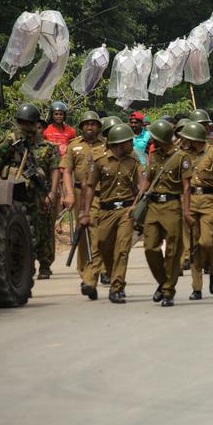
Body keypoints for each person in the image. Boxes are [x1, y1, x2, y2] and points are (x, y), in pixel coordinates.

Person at [0, 103, 60, 280]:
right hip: (16, 197)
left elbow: (55, 170)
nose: (26, 127)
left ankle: (44, 264)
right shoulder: (11, 142)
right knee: (18, 233)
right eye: (22, 123)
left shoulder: (48, 147)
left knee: (43, 230)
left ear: (37, 124)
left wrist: (52, 192)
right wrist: (2, 188)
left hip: (39, 195)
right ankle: (23, 266)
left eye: (30, 123)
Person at [79, 124, 142, 303]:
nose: (133, 143)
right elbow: (90, 187)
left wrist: (138, 208)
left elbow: (140, 186)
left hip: (126, 211)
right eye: (130, 140)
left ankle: (117, 287)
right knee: (102, 245)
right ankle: (102, 277)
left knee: (122, 249)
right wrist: (84, 213)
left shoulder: (134, 160)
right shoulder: (100, 160)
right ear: (121, 143)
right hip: (105, 210)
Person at [136, 119, 187, 307]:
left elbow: (187, 187)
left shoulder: (182, 157)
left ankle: (168, 291)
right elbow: (148, 179)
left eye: (155, 138)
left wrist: (187, 211)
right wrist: (137, 202)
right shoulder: (154, 155)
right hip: (154, 205)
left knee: (173, 250)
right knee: (150, 247)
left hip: (173, 205)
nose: (152, 141)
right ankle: (163, 281)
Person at [60, 111, 108, 293]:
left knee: (100, 232)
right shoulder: (74, 146)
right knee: (82, 233)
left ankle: (99, 270)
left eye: (93, 124)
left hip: (100, 193)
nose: (90, 127)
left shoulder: (105, 145)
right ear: (81, 127)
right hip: (80, 191)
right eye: (86, 124)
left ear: (98, 127)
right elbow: (66, 171)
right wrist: (69, 194)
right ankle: (84, 272)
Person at [179, 122, 213, 300]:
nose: (184, 141)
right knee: (193, 246)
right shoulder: (184, 155)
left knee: (207, 242)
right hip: (189, 201)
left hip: (208, 201)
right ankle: (196, 287)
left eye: (187, 138)